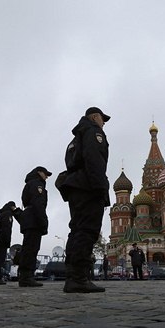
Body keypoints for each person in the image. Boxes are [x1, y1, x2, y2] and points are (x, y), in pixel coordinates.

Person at [57, 107, 111, 293]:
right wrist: (100, 187)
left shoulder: (74, 139)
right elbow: (94, 159)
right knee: (87, 231)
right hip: (89, 186)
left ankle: (72, 276)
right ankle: (79, 277)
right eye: (103, 119)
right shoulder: (93, 132)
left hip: (75, 187)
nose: (103, 123)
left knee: (77, 230)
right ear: (95, 117)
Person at [18, 166, 52, 287]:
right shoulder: (37, 184)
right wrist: (43, 221)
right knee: (31, 248)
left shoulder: (30, 184)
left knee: (29, 247)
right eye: (45, 174)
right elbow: (38, 203)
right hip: (34, 218)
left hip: (29, 217)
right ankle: (27, 276)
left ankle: (25, 276)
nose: (47, 177)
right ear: (39, 172)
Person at [0, 201, 19, 285]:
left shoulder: (1, 214)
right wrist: (7, 240)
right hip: (3, 238)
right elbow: (7, 228)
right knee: (0, 259)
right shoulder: (8, 214)